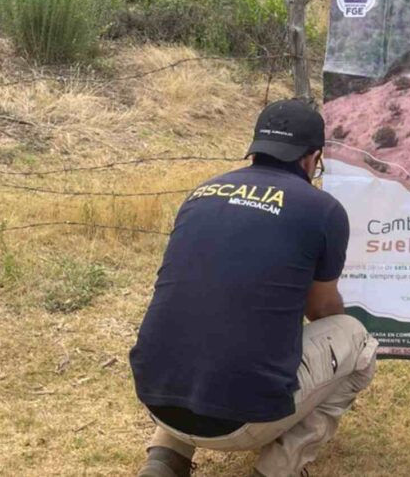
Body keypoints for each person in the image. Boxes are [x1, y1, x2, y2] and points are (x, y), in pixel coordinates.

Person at [130, 99, 378, 477]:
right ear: (313, 158)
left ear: (256, 147)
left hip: (155, 396)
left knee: (201, 318)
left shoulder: (202, 193)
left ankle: (165, 457)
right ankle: (279, 467)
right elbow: (323, 311)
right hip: (241, 420)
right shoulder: (322, 210)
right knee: (357, 340)